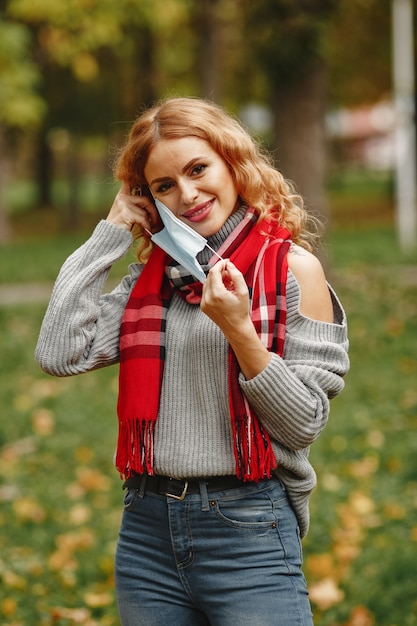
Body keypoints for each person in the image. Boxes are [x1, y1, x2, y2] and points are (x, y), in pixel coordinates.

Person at [35, 96, 349, 626]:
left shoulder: (294, 270)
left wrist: (239, 330)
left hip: (248, 530)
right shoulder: (151, 281)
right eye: (163, 186)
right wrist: (110, 231)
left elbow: (302, 424)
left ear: (232, 162)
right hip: (147, 532)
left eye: (198, 169)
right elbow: (59, 352)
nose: (187, 194)